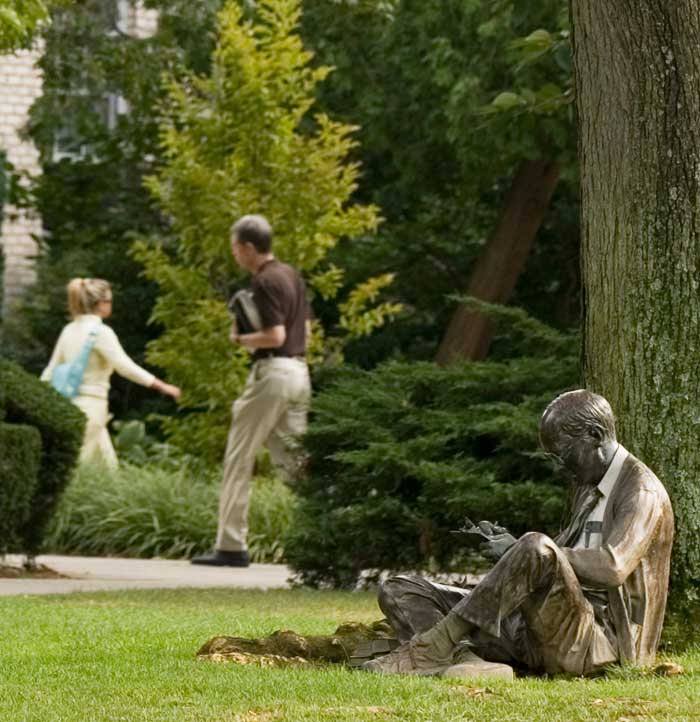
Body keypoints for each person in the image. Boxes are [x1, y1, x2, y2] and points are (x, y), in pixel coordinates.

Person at [363, 390, 674, 678]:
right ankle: (466, 662)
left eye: (561, 455)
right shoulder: (589, 485)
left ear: (595, 435)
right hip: (538, 628)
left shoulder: (641, 491)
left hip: (596, 644)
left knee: (535, 546)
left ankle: (433, 648)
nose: (558, 468)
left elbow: (612, 567)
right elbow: (554, 563)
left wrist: (524, 550)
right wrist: (512, 555)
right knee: (400, 589)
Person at [192, 214, 311, 568]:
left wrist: (239, 338)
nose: (233, 254)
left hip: (271, 373)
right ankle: (329, 532)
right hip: (299, 372)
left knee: (239, 456)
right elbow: (304, 330)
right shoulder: (291, 275)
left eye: (234, 247)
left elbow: (274, 336)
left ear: (247, 247)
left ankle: (230, 546)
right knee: (295, 464)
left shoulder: (264, 280)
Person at [41, 278, 181, 469]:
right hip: (92, 408)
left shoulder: (69, 330)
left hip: (68, 405)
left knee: (108, 468)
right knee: (75, 469)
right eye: (109, 301)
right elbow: (125, 366)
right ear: (100, 304)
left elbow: (50, 370)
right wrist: (162, 386)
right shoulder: (100, 332)